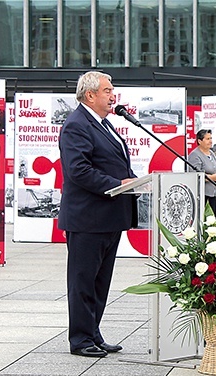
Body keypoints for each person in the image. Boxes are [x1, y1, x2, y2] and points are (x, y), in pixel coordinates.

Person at [58, 71, 138, 358]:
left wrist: (135, 180)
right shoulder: (76, 125)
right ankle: (79, 339)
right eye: (107, 90)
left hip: (109, 217)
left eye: (112, 90)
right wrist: (117, 185)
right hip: (87, 218)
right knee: (83, 280)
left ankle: (93, 332)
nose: (113, 95)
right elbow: (78, 170)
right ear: (90, 94)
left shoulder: (104, 124)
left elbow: (115, 164)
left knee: (100, 281)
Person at [188, 129, 216, 216]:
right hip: (203, 194)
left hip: (214, 193)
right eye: (207, 139)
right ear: (200, 141)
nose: (210, 141)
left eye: (211, 138)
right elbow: (194, 175)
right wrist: (212, 178)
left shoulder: (211, 153)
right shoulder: (194, 155)